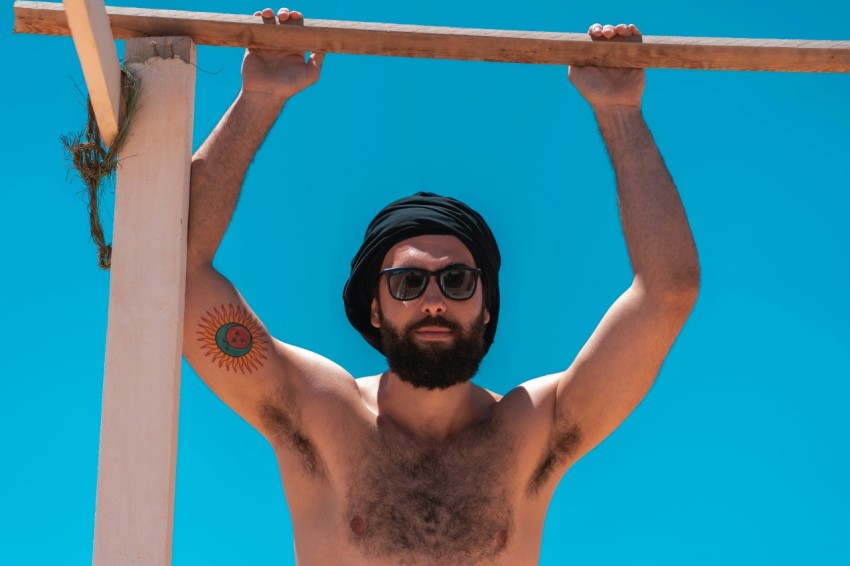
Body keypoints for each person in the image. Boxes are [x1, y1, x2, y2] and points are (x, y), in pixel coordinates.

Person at [184, 8, 700, 565]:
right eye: (407, 281)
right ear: (376, 309)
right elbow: (176, 272)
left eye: (457, 280)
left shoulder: (529, 432)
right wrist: (257, 99)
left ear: (485, 308)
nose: (433, 299)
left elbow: (668, 293)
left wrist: (621, 113)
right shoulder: (322, 413)